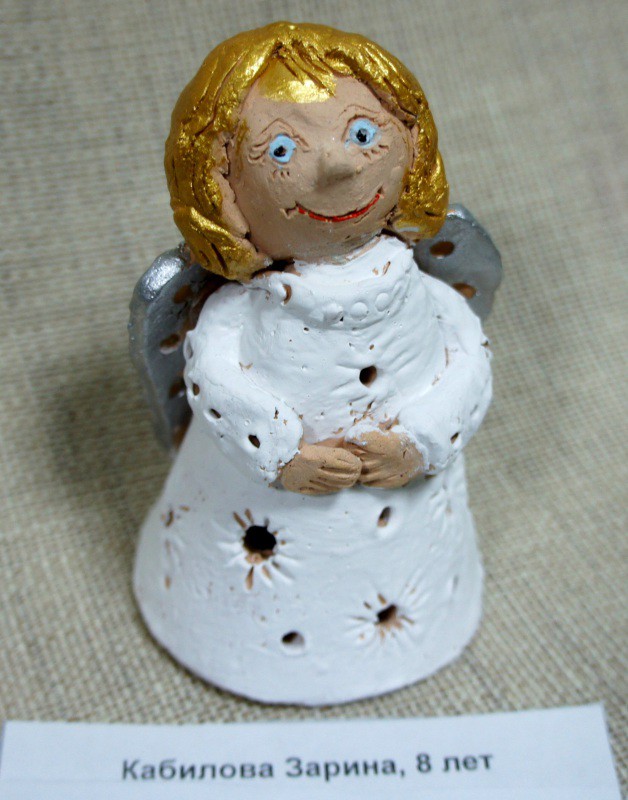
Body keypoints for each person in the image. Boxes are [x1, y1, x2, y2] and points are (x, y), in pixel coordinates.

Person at [134, 22, 493, 705]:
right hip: (256, 525)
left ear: (411, 141)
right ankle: (230, 636)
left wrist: (422, 440)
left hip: (413, 542)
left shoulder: (423, 294)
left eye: (362, 133)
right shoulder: (238, 316)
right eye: (280, 150)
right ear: (220, 189)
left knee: (407, 566)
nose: (338, 168)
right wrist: (278, 455)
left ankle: (410, 626)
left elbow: (467, 362)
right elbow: (216, 378)